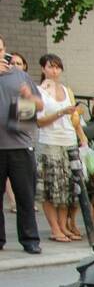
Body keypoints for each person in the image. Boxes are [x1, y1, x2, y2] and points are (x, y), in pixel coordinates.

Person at [35, 54, 87, 243]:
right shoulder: (39, 91)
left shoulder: (67, 90)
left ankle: (64, 225)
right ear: (43, 69)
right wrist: (60, 112)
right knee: (49, 188)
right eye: (50, 67)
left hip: (69, 141)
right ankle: (55, 228)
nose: (54, 71)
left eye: (58, 67)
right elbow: (39, 121)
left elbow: (75, 119)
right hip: (49, 141)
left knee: (68, 187)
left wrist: (81, 136)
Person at [0, 35, 44, 254]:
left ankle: (30, 240)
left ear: (4, 50)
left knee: (25, 195)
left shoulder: (20, 76)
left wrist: (28, 97)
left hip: (19, 144)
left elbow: (39, 105)